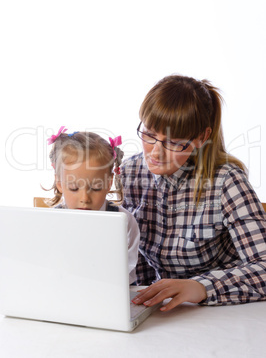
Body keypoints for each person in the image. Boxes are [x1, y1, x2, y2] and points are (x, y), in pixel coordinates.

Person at [121, 74, 266, 311]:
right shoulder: (129, 172)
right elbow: (132, 255)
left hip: (220, 311)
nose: (156, 153)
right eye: (149, 135)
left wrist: (201, 287)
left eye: (173, 142)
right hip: (161, 311)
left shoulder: (226, 181)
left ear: (201, 138)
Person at [46, 127, 140, 284]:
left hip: (109, 292)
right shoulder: (51, 222)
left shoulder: (124, 222)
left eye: (96, 188)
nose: (84, 198)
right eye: (74, 188)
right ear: (60, 183)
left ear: (109, 183)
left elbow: (127, 273)